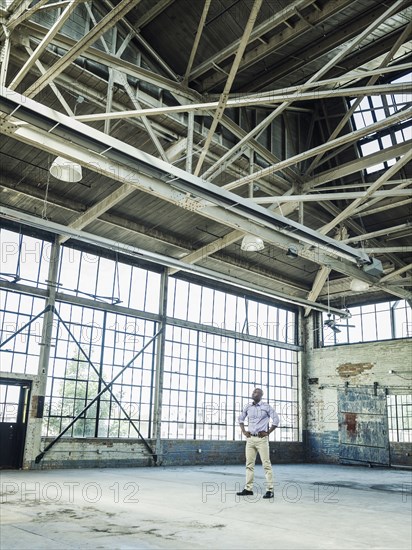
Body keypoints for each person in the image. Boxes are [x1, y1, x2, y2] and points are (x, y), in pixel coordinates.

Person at [237, 388, 279, 499]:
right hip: (250, 439)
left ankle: (270, 490)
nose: (253, 393)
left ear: (261, 395)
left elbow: (276, 420)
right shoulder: (248, 407)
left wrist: (268, 433)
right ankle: (248, 489)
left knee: (266, 464)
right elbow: (240, 419)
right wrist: (244, 431)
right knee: (249, 465)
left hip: (262, 440)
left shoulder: (266, 407)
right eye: (252, 392)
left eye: (256, 392)